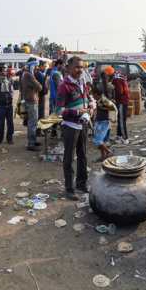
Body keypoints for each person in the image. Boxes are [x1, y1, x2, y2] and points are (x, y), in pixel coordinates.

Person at [57, 56, 91, 200]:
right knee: (69, 158)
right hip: (70, 126)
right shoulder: (64, 86)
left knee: (83, 155)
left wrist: (91, 105)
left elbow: (86, 99)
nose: (80, 70)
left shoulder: (82, 82)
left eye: (82, 67)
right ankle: (69, 189)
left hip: (82, 124)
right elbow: (60, 111)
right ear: (68, 68)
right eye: (77, 67)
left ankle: (81, 184)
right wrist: (77, 112)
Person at [21, 60, 42, 151]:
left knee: (32, 122)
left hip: (29, 100)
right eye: (35, 67)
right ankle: (31, 143)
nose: (37, 69)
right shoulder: (29, 75)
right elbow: (39, 87)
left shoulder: (25, 74)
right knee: (32, 122)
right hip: (31, 101)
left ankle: (33, 140)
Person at [91, 86, 115, 161]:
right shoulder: (100, 100)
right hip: (101, 121)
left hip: (103, 122)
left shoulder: (103, 100)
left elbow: (113, 108)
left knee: (97, 141)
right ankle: (103, 156)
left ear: (96, 94)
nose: (92, 96)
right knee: (102, 140)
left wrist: (112, 119)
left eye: (93, 94)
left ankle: (109, 152)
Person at [112, 68, 130, 143]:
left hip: (121, 102)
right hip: (123, 101)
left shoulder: (117, 80)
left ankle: (124, 138)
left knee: (122, 120)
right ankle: (119, 136)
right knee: (121, 119)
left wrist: (114, 98)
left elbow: (120, 91)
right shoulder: (121, 79)